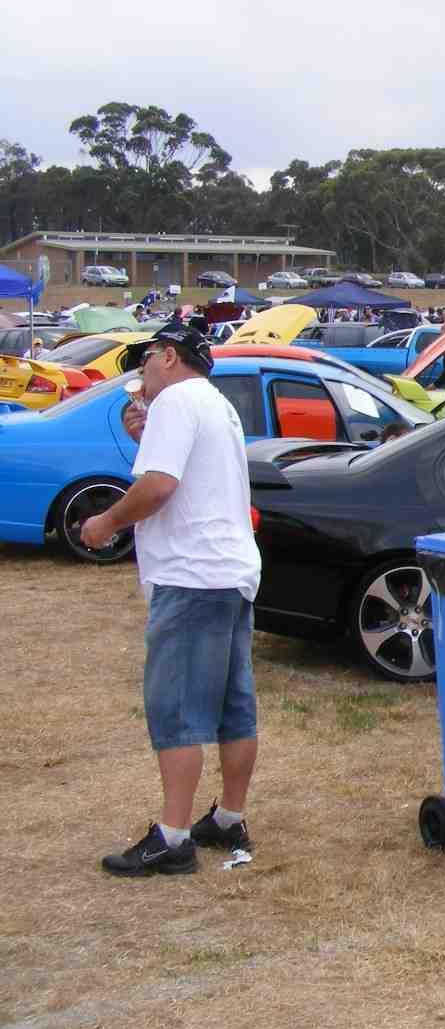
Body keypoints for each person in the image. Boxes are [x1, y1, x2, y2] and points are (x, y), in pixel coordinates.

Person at [79, 324, 263, 875]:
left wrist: (106, 523)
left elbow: (159, 486)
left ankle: (174, 837)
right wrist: (147, 437)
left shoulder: (176, 401)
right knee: (233, 705)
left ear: (168, 356)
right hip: (231, 570)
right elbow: (191, 478)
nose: (141, 375)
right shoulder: (216, 404)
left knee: (176, 707)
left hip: (191, 574)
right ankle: (228, 818)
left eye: (145, 362)